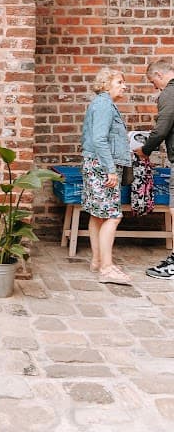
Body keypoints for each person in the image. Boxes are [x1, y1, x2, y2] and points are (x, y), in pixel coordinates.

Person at [81, 67, 132, 285]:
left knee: (98, 215)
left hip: (96, 164)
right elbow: (100, 139)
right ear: (106, 84)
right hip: (102, 166)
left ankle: (97, 260)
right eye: (119, 82)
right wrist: (111, 169)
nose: (124, 85)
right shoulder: (104, 105)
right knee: (112, 215)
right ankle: (106, 267)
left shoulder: (102, 104)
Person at [133, 59, 174, 279]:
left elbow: (161, 130)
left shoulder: (169, 93)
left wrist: (145, 150)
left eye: (152, 82)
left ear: (159, 75)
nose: (154, 88)